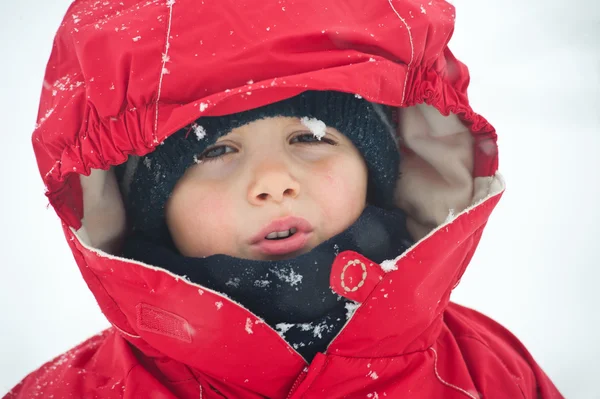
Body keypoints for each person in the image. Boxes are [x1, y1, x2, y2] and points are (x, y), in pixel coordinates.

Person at [5, 0, 563, 398]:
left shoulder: (485, 371)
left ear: (377, 170)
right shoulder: (74, 392)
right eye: (215, 151)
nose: (274, 182)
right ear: (147, 205)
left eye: (311, 137)